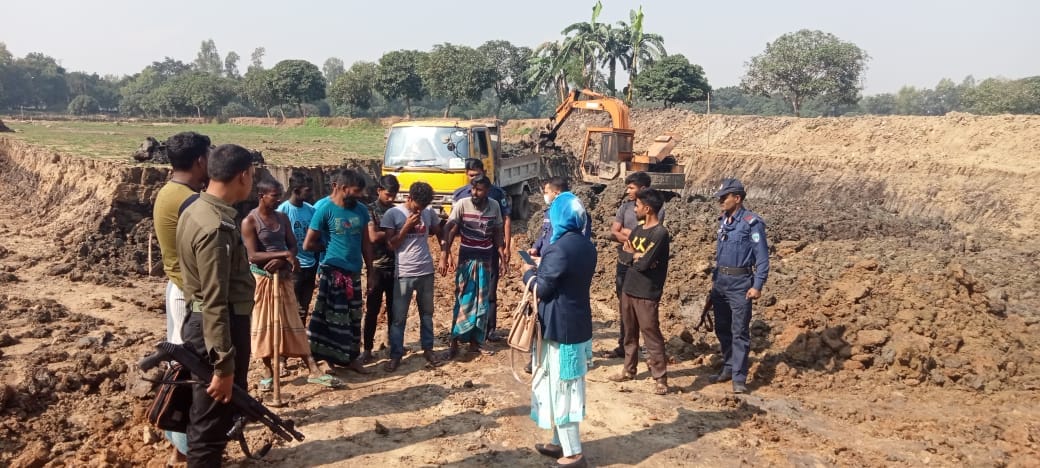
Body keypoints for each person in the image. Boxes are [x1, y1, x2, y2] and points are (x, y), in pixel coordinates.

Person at [176, 144, 256, 466]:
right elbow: (214, 301)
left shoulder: (194, 208)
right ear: (243, 175)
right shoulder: (216, 228)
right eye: (252, 175)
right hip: (218, 332)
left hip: (206, 326)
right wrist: (224, 366)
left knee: (212, 418)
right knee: (210, 424)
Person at [243, 179, 342, 390]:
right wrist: (283, 254)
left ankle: (312, 369)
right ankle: (269, 370)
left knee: (294, 321)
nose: (278, 199)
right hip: (263, 278)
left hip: (284, 276)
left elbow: (293, 245)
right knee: (265, 325)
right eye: (273, 195)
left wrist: (284, 258)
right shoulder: (250, 221)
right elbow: (252, 255)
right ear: (261, 196)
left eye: (279, 195)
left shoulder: (282, 217)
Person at [521, 190, 596, 468]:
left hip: (559, 326)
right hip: (577, 323)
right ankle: (558, 442)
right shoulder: (586, 245)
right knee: (561, 384)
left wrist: (528, 273)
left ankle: (574, 453)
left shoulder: (558, 247)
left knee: (563, 389)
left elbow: (542, 288)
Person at [151, 131, 210, 464]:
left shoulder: (168, 192)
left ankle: (178, 446)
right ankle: (186, 449)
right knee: (190, 372)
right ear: (200, 160)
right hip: (189, 296)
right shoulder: (190, 201)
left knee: (182, 365)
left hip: (178, 288)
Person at [303, 169, 374, 374]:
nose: (360, 195)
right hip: (332, 273)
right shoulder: (324, 209)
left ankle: (351, 358)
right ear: (343, 188)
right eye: (356, 191)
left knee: (353, 317)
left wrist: (371, 271)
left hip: (353, 274)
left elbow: (366, 243)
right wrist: (328, 247)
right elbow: (309, 243)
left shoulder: (360, 210)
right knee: (329, 317)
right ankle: (326, 360)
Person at [709, 178, 770, 394]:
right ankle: (728, 366)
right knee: (722, 328)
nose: (721, 201)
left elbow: (762, 257)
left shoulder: (751, 223)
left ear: (737, 198)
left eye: (724, 197)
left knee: (739, 331)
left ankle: (739, 377)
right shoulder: (724, 221)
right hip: (721, 283)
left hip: (740, 284)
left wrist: (758, 285)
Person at [610, 188, 670, 395]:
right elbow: (624, 256)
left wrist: (634, 256)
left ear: (648, 208)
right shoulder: (637, 230)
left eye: (637, 206)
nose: (634, 209)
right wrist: (634, 256)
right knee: (629, 332)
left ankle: (660, 378)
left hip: (647, 291)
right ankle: (629, 369)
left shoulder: (660, 233)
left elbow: (645, 263)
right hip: (629, 287)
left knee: (650, 334)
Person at [441, 175, 506, 358]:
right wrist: (445, 254)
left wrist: (502, 256)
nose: (474, 193)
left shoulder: (494, 206)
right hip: (466, 260)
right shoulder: (462, 204)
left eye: (479, 190)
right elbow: (450, 228)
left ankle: (475, 342)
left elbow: (497, 231)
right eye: (473, 189)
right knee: (463, 299)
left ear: (487, 191)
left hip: (485, 260)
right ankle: (454, 343)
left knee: (481, 302)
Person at [381, 181, 443, 371]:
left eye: (423, 207)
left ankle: (428, 349)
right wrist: (407, 226)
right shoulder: (394, 214)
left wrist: (444, 254)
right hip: (404, 273)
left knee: (427, 314)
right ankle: (396, 354)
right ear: (409, 198)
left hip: (426, 270)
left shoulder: (428, 211)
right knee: (399, 318)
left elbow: (440, 232)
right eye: (417, 207)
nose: (420, 210)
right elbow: (391, 245)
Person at [604, 172, 667, 359]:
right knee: (625, 308)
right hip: (624, 263)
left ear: (643, 189)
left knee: (645, 313)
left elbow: (651, 237)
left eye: (631, 187)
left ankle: (649, 351)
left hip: (644, 269)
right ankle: (624, 345)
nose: (628, 191)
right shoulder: (625, 208)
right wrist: (633, 238)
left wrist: (628, 235)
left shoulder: (655, 209)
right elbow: (614, 231)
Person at [452, 158, 510, 342]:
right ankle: (462, 333)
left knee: (489, 293)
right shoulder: (460, 196)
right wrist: (446, 251)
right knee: (464, 292)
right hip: (468, 253)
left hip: (489, 252)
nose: (474, 183)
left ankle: (487, 330)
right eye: (470, 176)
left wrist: (505, 249)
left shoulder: (496, 196)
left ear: (483, 172)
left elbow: (502, 224)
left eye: (477, 175)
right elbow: (452, 225)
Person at [361, 175, 399, 364]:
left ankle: (392, 345)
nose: (391, 199)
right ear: (379, 190)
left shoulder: (396, 211)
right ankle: (367, 349)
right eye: (388, 195)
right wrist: (394, 232)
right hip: (376, 266)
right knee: (372, 311)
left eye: (394, 195)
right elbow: (373, 236)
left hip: (395, 267)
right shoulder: (370, 210)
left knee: (394, 310)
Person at [277, 172, 318, 324]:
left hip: (310, 266)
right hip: (293, 267)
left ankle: (299, 340)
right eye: (307, 190)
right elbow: (278, 241)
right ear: (296, 190)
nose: (311, 193)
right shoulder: (283, 211)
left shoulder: (311, 210)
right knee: (289, 307)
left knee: (303, 307)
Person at [529, 176, 592, 258]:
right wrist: (536, 247)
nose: (545, 196)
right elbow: (545, 233)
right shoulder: (550, 211)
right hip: (545, 259)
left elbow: (580, 243)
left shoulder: (576, 214)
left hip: (559, 261)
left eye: (546, 192)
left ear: (556, 193)